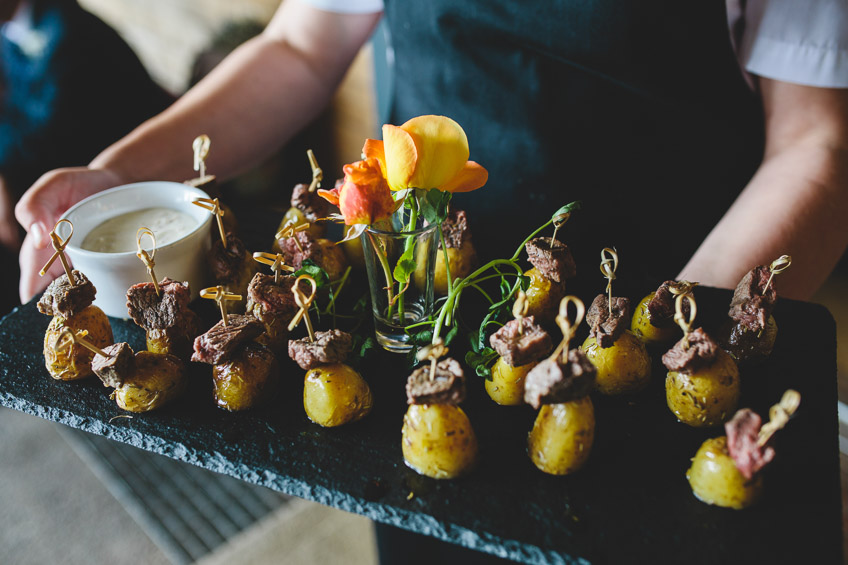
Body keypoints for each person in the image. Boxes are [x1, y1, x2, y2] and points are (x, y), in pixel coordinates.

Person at [10, 0, 847, 561]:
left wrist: (658, 340)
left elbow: (815, 146)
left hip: (665, 318)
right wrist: (118, 179)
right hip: (418, 332)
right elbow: (300, 47)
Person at [0, 0, 171, 313]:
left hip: (111, 168)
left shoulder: (66, 36)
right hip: (67, 164)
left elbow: (43, 136)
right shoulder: (12, 29)